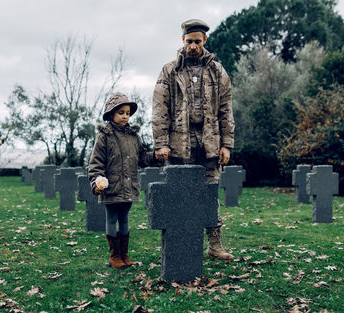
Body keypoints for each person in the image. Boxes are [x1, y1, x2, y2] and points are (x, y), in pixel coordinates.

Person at [152, 19, 235, 261]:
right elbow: (160, 109)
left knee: (209, 194)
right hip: (179, 143)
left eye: (197, 42)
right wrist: (161, 142)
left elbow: (226, 109)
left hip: (210, 142)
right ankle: (175, 244)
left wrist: (226, 144)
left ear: (205, 41)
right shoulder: (169, 71)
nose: (193, 46)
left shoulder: (217, 71)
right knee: (178, 194)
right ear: (182, 40)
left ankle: (214, 245)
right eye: (189, 41)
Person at [88, 92, 158, 268]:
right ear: (111, 114)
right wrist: (96, 181)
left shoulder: (134, 136)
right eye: (121, 112)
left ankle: (124, 255)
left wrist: (156, 156)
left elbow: (143, 158)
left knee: (125, 220)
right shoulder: (104, 136)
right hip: (111, 187)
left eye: (127, 112)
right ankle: (115, 256)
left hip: (129, 186)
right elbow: (96, 163)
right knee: (112, 219)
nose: (125, 116)